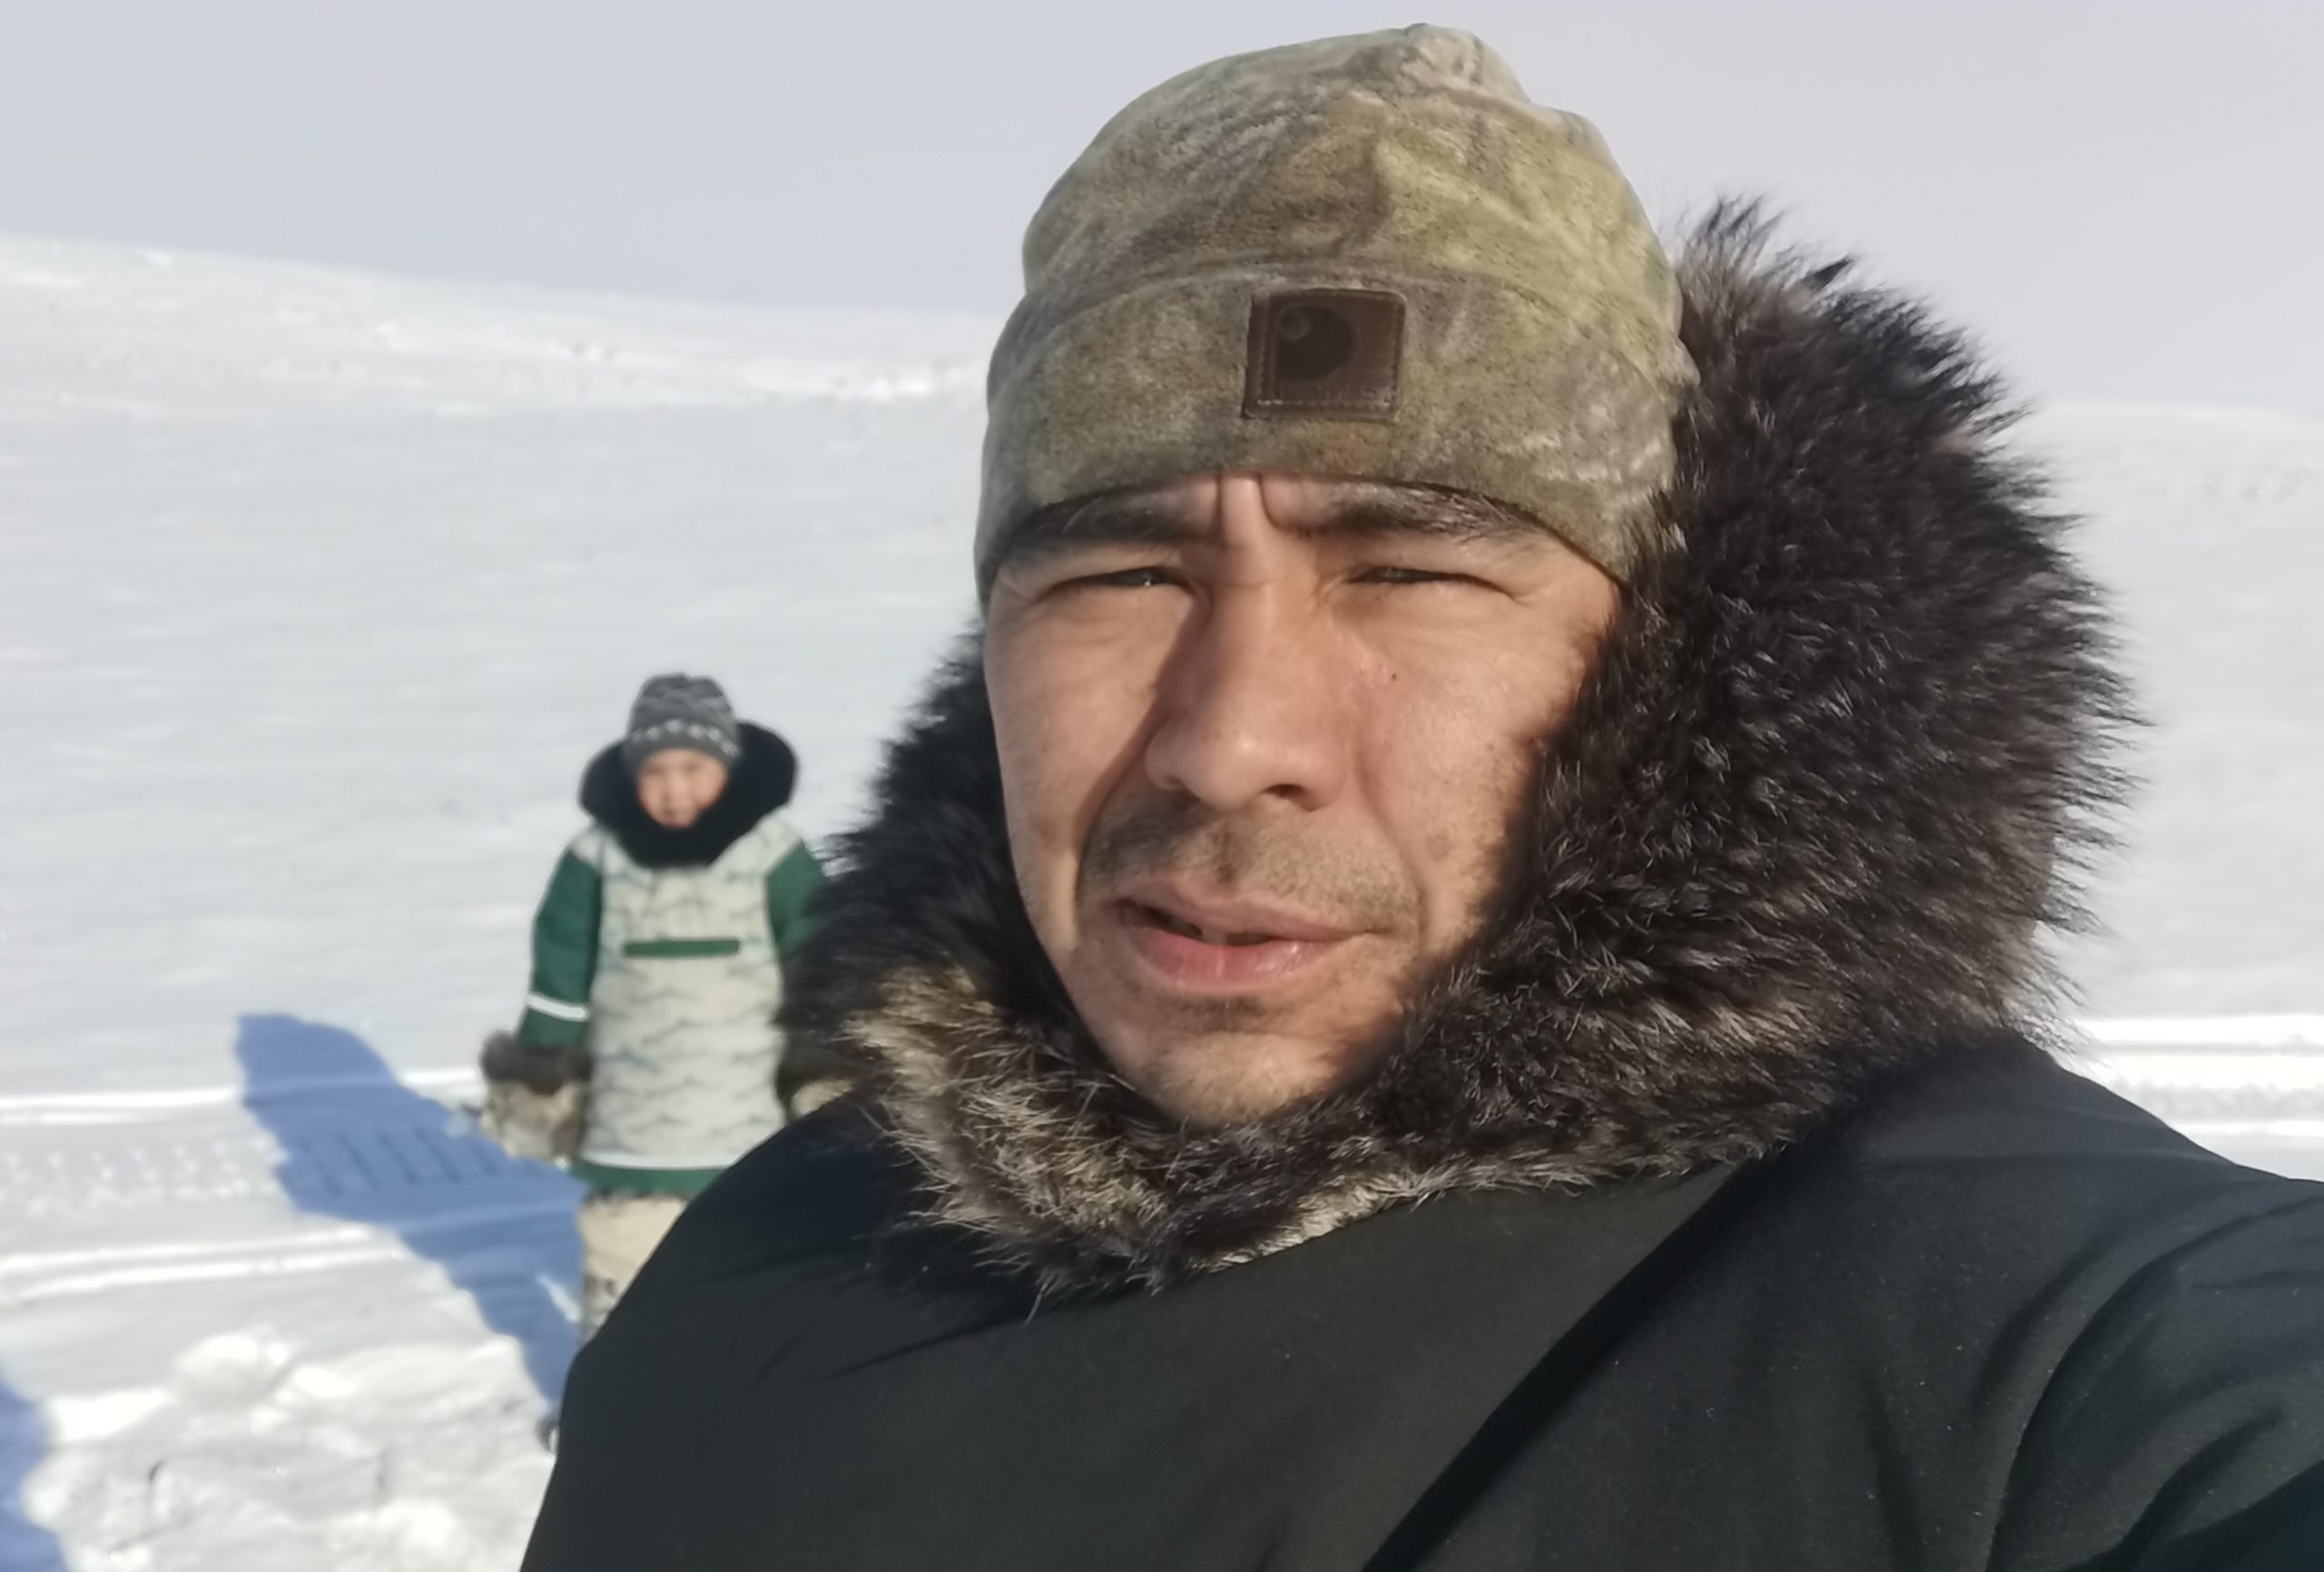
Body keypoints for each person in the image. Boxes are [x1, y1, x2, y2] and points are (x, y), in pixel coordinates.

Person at [525, 29, 2324, 1571]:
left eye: (1406, 571)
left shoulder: (2030, 1345)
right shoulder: (745, 1285)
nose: (1227, 741)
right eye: (1118, 574)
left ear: (1640, 660)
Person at [479, 673, 822, 1351]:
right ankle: (609, 1401)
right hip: (630, 1114)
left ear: (727, 765)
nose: (674, 789)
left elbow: (820, 960)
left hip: (746, 1112)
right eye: (656, 771)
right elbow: (560, 973)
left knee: (753, 1250)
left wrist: (826, 1065)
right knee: (623, 1254)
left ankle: (751, 1390)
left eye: (693, 768)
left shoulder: (771, 855)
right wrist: (544, 1068)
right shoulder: (596, 858)